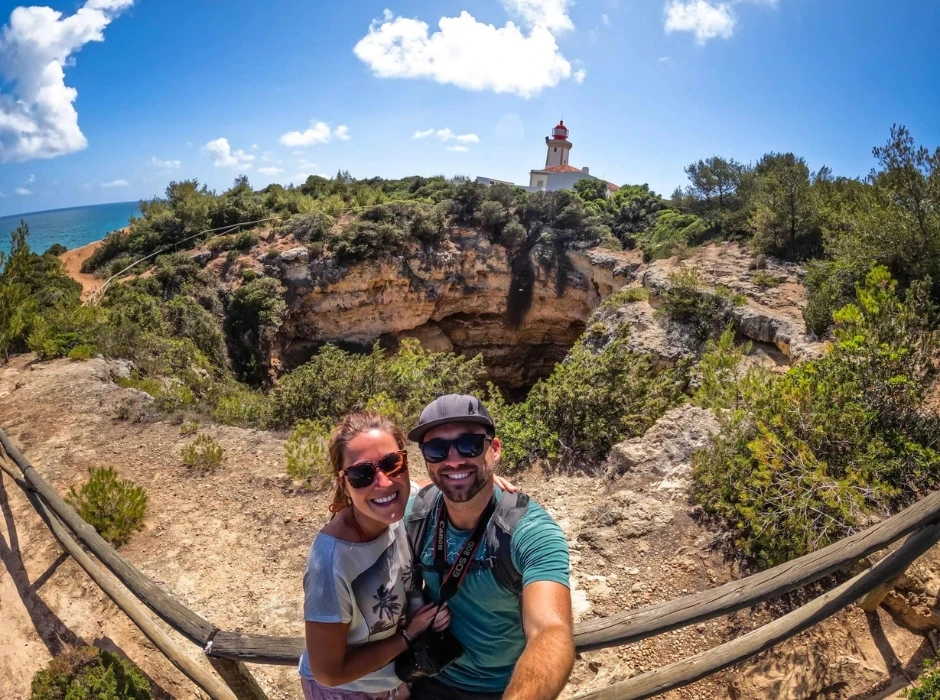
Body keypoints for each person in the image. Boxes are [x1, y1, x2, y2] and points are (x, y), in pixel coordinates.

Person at [404, 394, 574, 700]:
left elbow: (551, 630)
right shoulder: (417, 513)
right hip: (430, 676)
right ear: (427, 460)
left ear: (494, 450)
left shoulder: (529, 532)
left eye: (469, 445)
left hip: (502, 688)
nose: (453, 460)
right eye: (436, 449)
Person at [299, 412, 451, 700]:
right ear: (343, 483)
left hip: (395, 681)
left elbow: (437, 486)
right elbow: (328, 673)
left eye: (392, 463)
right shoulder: (331, 564)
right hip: (349, 692)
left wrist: (488, 483)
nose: (383, 483)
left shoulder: (398, 505)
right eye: (361, 474)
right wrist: (408, 636)